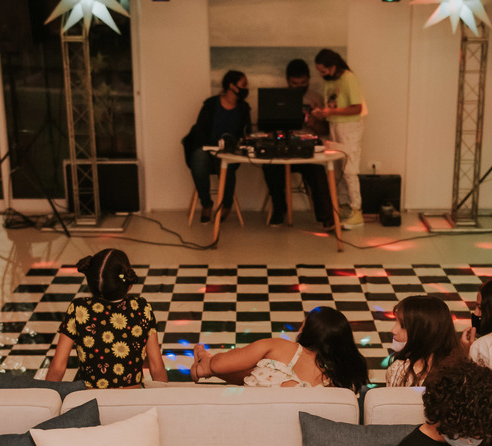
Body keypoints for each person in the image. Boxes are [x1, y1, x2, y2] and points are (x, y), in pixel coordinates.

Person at [46, 249, 167, 388]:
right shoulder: (141, 308)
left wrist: (47, 396)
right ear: (129, 284)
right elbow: (156, 366)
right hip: (132, 395)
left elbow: (58, 367)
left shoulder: (78, 308)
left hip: (90, 397)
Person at [191, 305, 368, 393]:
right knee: (264, 372)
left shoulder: (281, 346)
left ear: (306, 331)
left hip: (251, 413)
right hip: (289, 425)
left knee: (260, 369)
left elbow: (221, 364)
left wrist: (212, 363)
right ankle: (206, 368)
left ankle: (206, 363)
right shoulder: (341, 380)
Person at [261, 59, 333, 228]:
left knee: (317, 171)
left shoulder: (316, 98)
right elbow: (267, 127)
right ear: (288, 81)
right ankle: (279, 208)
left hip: (306, 150)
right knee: (269, 166)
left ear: (309, 79)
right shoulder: (278, 98)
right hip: (283, 148)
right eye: (295, 83)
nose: (299, 87)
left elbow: (325, 130)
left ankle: (326, 216)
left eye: (303, 83)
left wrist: (313, 123)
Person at [182, 70, 251, 223]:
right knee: (199, 158)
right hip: (207, 149)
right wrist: (210, 147)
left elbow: (246, 133)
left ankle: (226, 205)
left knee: (224, 161)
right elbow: (200, 130)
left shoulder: (243, 108)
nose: (247, 88)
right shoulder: (211, 105)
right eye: (244, 85)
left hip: (228, 151)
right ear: (232, 86)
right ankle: (206, 204)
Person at [312, 49, 366, 230]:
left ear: (333, 66)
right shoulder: (330, 81)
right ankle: (343, 207)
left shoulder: (348, 78)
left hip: (350, 128)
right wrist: (322, 112)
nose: (321, 74)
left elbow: (357, 108)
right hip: (334, 127)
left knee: (350, 169)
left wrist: (332, 111)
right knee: (337, 170)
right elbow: (333, 106)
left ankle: (356, 210)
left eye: (323, 70)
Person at [384, 295, 466, 388]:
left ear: (424, 332)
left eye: (403, 325)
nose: (393, 330)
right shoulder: (460, 371)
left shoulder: (399, 371)